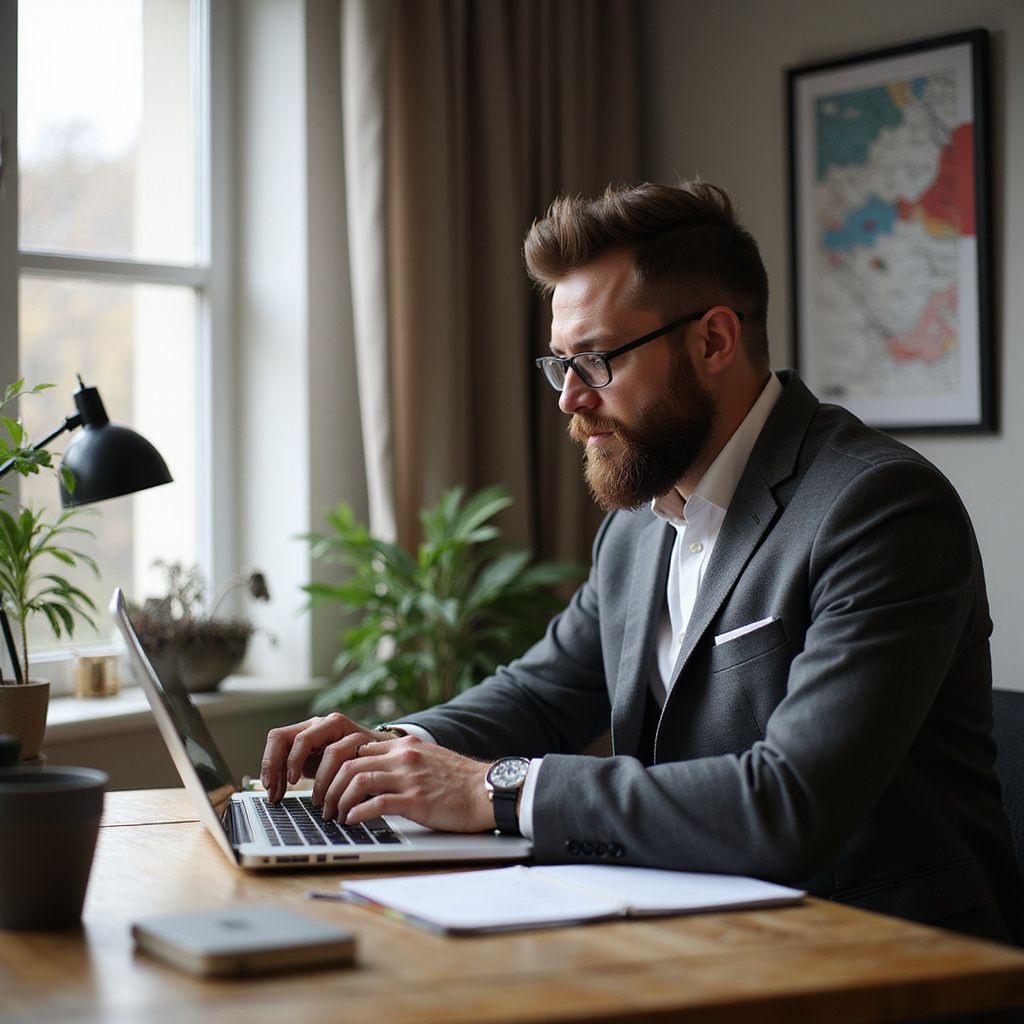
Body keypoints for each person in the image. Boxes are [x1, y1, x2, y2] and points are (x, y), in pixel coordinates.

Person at [262, 180, 1024, 943]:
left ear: (713, 341)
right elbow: (541, 695)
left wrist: (492, 789)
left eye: (594, 361)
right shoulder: (640, 522)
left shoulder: (878, 508)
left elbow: (789, 803)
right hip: (700, 937)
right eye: (559, 364)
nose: (569, 399)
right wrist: (388, 751)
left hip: (890, 961)